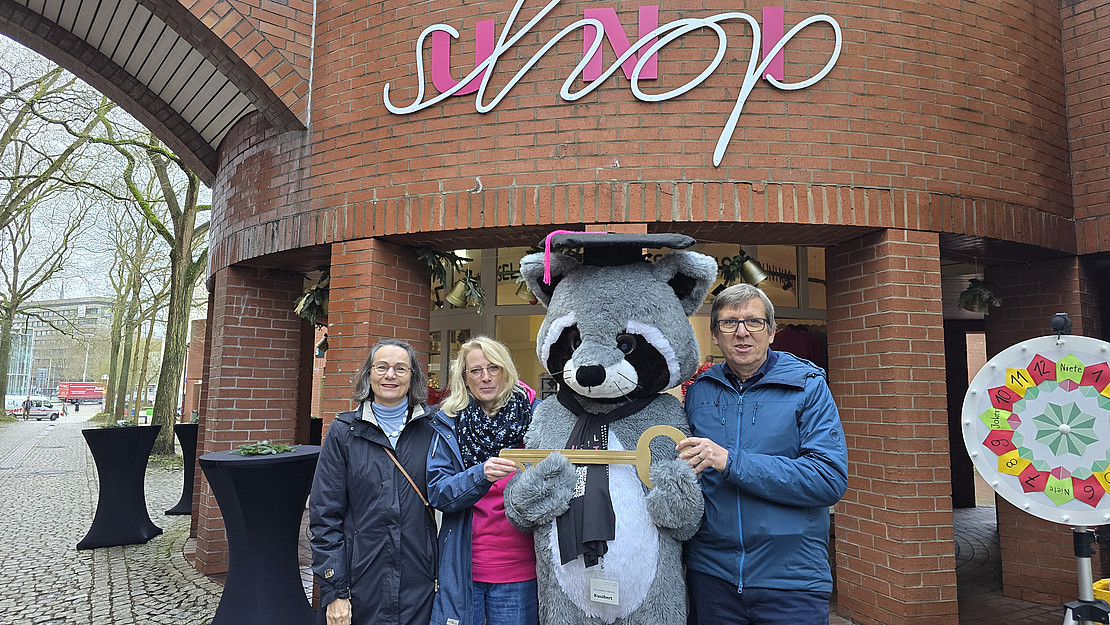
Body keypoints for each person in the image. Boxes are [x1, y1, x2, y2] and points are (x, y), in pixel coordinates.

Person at [678, 283, 848, 625]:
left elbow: (828, 479)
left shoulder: (808, 387)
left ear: (772, 332)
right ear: (715, 334)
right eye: (729, 323)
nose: (742, 333)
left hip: (791, 581)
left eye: (754, 322)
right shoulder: (699, 393)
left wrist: (731, 462)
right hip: (713, 578)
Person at [309, 339, 439, 625]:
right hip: (360, 582)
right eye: (381, 367)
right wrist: (335, 591)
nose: (390, 375)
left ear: (413, 377)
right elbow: (325, 518)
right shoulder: (344, 433)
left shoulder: (434, 429)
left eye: (400, 368)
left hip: (419, 583)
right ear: (368, 374)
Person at [427, 336, 540, 625]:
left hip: (521, 569)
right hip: (465, 568)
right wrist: (480, 475)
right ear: (464, 379)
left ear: (506, 371)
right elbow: (438, 492)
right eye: (475, 371)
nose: (485, 377)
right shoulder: (448, 422)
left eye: (493, 368)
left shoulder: (536, 417)